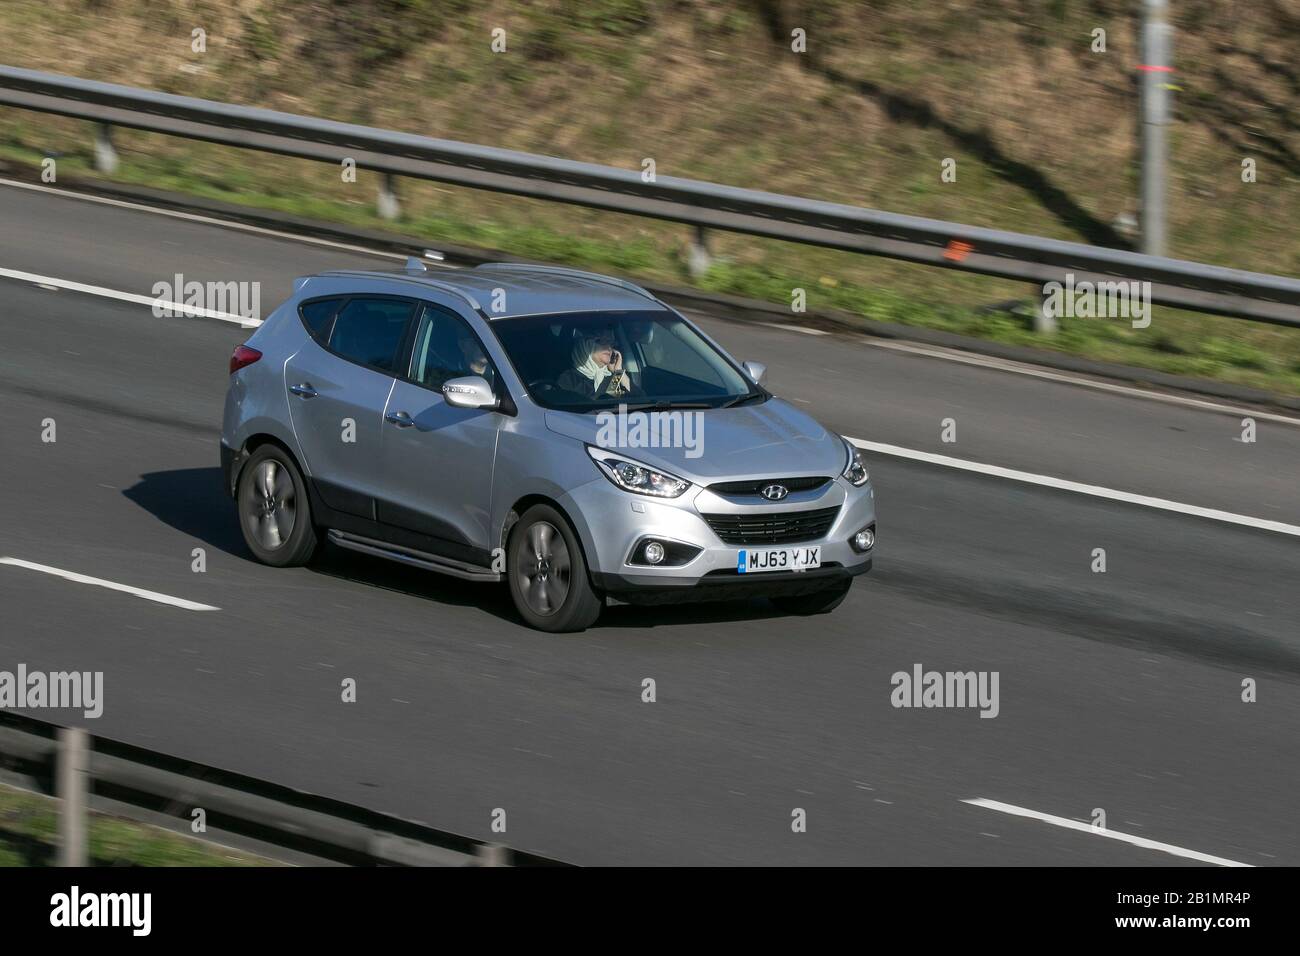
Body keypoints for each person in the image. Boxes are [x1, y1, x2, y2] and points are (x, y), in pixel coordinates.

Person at [556, 329, 635, 399]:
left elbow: (636, 398)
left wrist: (619, 371)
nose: (608, 346)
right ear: (584, 346)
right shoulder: (568, 379)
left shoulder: (611, 377)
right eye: (601, 341)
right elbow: (594, 404)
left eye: (611, 343)